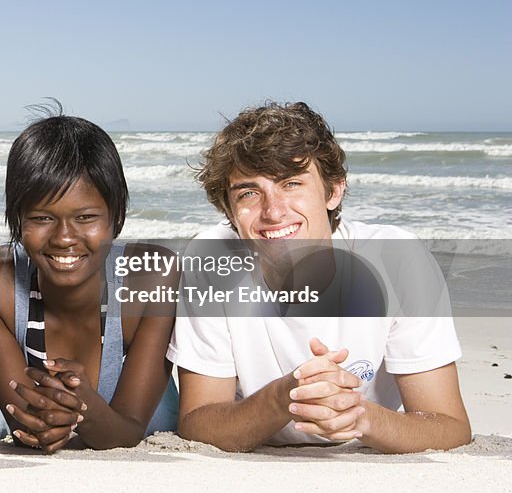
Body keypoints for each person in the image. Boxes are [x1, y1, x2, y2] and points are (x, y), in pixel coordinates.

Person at [168, 101, 472, 453]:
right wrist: (286, 397)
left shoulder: (397, 258)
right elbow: (198, 422)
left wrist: (362, 417)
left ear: (333, 190)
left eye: (292, 183)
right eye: (249, 193)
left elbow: (448, 426)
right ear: (229, 209)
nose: (274, 211)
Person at [0, 112, 178, 452]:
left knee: (164, 419)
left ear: (116, 216)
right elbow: (26, 425)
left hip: (140, 411)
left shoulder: (154, 274)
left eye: (85, 218)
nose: (65, 238)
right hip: (24, 405)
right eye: (42, 218)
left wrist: (84, 407)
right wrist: (43, 426)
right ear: (17, 219)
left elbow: (126, 432)